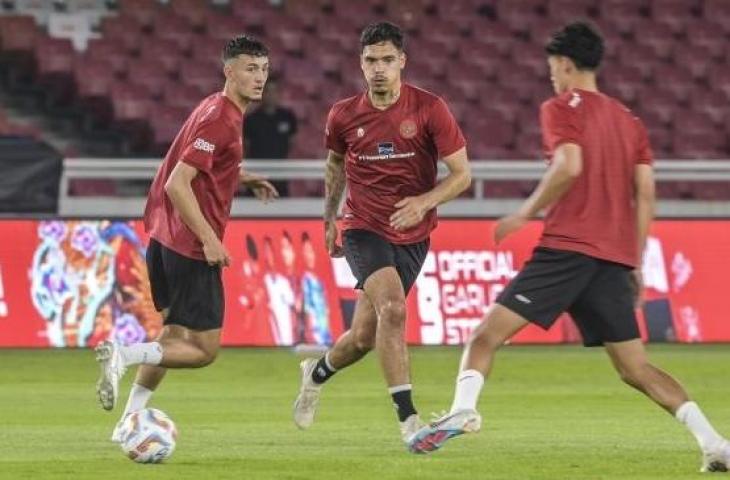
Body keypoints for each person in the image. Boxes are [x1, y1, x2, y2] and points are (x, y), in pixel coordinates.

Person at [407, 22, 730, 473]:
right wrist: (633, 259)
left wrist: (525, 212)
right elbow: (647, 193)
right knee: (636, 368)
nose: (552, 77)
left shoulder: (561, 107)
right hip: (613, 259)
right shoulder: (630, 121)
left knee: (485, 337)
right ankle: (715, 442)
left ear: (564, 64)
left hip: (568, 249)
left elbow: (569, 163)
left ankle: (464, 409)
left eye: (552, 69)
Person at [292, 21, 471, 449]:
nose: (378, 69)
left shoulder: (429, 109)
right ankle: (410, 423)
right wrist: (329, 219)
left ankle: (315, 373)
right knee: (393, 309)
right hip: (363, 227)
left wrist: (424, 202)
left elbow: (462, 175)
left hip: (413, 233)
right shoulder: (344, 114)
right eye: (371, 60)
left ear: (402, 62)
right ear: (360, 62)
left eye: (387, 60)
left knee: (361, 340)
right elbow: (335, 165)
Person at [94, 35, 278, 442]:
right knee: (203, 350)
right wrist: (210, 239)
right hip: (189, 245)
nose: (260, 77)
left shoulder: (214, 106)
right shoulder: (221, 117)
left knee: (172, 336)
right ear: (228, 71)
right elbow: (180, 183)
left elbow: (197, 165)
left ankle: (129, 420)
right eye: (250, 68)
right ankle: (123, 355)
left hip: (163, 237)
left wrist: (240, 179)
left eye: (264, 69)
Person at [243, 77, 298, 197]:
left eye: (274, 91)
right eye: (268, 91)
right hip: (257, 174)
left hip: (280, 174)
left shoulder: (288, 117)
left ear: (279, 94)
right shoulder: (251, 119)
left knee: (281, 211)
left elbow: (292, 143)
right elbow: (245, 147)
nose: (271, 95)